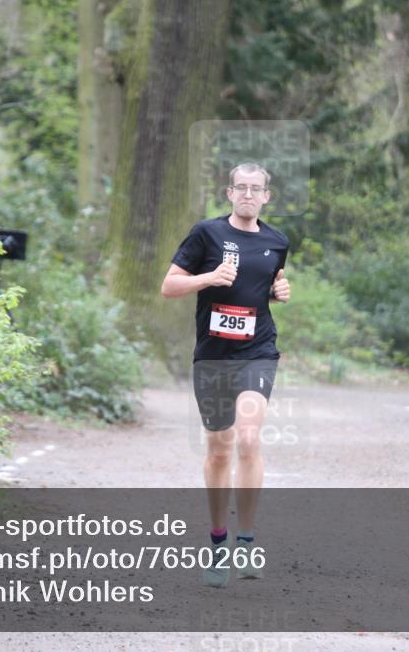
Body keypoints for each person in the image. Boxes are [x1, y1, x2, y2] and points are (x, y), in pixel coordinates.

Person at [160, 162, 290, 588]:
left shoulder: (277, 242)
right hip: (213, 356)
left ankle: (247, 541)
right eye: (242, 188)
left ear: (267, 197)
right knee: (219, 451)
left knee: (249, 437)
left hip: (258, 351)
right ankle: (218, 541)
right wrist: (209, 278)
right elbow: (169, 286)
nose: (249, 194)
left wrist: (279, 291)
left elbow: (269, 285)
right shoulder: (207, 234)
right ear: (229, 193)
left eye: (257, 189)